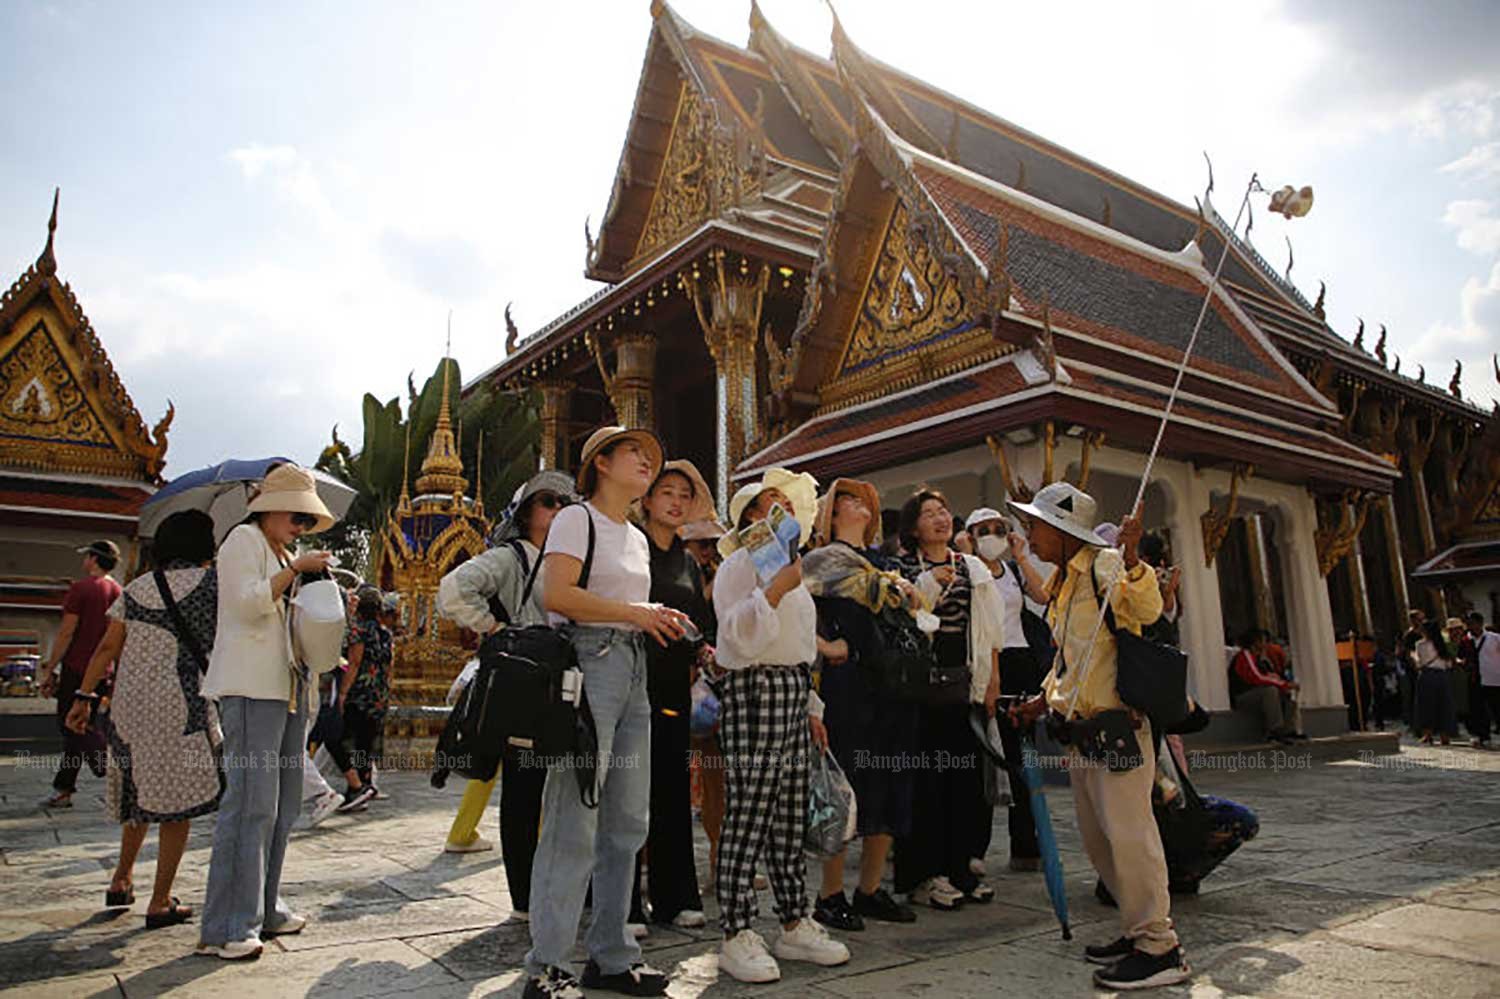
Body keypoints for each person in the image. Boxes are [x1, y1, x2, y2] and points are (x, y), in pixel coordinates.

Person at [522, 427, 688, 999]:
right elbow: (557, 596)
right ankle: (545, 966)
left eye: (651, 455)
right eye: (635, 453)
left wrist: (650, 616)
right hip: (589, 663)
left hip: (635, 668)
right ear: (601, 462)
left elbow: (626, 607)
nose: (647, 461)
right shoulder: (576, 519)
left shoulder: (637, 537)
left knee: (627, 821)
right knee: (575, 817)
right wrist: (635, 613)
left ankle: (613, 955)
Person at [1010, 482, 1190, 990]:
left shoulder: (1104, 566)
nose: (1030, 534)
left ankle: (1161, 945)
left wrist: (1133, 558)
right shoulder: (1066, 582)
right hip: (1081, 731)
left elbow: (1147, 610)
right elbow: (1071, 658)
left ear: (1065, 531)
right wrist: (1043, 698)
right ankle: (1135, 932)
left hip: (1118, 727)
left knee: (1132, 838)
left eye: (1037, 525)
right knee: (1099, 841)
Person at [711, 467, 850, 984]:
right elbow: (734, 638)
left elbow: (799, 645)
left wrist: (813, 707)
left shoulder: (788, 567)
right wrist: (771, 591)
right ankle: (736, 930)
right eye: (768, 503)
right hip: (754, 687)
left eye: (784, 504)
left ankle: (794, 919)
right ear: (750, 516)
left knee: (790, 812)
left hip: (790, 688)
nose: (780, 510)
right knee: (748, 811)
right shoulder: (740, 564)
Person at [197, 463, 336, 961]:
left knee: (283, 806)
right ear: (268, 508)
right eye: (296, 515)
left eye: (305, 519)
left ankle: (263, 906)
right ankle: (228, 924)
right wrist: (294, 572)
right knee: (252, 802)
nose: (300, 526)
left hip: (289, 684)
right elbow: (245, 604)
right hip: (252, 686)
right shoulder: (242, 541)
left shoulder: (283, 551)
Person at [63, 511, 220, 928]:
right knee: (175, 806)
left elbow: (106, 648)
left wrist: (83, 697)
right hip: (180, 707)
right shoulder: (214, 587)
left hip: (128, 709)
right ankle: (160, 899)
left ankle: (121, 878)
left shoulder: (136, 588)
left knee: (137, 796)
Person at [436, 471, 572, 910]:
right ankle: (525, 894)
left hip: (564, 679)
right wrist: (495, 628)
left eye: (564, 504)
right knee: (524, 785)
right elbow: (452, 590)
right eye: (548, 501)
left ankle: (562, 881)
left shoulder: (569, 559)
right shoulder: (512, 558)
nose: (557, 510)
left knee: (563, 780)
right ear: (527, 511)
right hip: (525, 681)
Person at [802, 478, 921, 931]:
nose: (860, 506)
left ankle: (869, 889)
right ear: (830, 514)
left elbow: (912, 606)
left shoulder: (885, 565)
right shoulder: (817, 562)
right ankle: (829, 894)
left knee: (890, 782)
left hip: (891, 682)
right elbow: (793, 614)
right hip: (846, 686)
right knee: (845, 786)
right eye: (848, 500)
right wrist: (825, 648)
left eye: (864, 500)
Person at [894, 489, 1004, 911]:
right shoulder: (902, 568)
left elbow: (991, 630)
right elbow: (899, 620)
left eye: (944, 511)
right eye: (928, 514)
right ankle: (926, 874)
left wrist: (992, 681)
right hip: (921, 687)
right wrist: (924, 587)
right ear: (913, 527)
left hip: (965, 682)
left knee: (965, 782)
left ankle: (962, 866)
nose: (940, 518)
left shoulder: (971, 566)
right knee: (927, 782)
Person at [628, 460, 716, 932]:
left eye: (684, 494)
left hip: (673, 688)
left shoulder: (686, 560)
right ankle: (621, 904)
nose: (676, 501)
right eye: (667, 492)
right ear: (646, 499)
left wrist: (705, 651)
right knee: (627, 794)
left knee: (671, 790)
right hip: (629, 683)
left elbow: (698, 621)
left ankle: (674, 895)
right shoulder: (630, 548)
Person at [968, 507, 1050, 876]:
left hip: (1019, 665)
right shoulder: (966, 571)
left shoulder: (1013, 571)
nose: (993, 534)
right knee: (984, 756)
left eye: (999, 528)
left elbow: (1043, 595)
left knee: (1022, 757)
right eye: (984, 529)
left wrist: (1020, 555)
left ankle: (1026, 844)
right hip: (984, 664)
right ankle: (975, 848)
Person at [40, 539, 123, 808]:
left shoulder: (82, 589)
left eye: (87, 555)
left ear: (94, 559)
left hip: (78, 668)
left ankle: (106, 762)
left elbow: (67, 632)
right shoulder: (118, 591)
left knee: (73, 724)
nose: (84, 560)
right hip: (104, 670)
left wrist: (50, 667)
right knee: (78, 728)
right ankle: (64, 788)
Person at [326, 590, 392, 811]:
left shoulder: (358, 631)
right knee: (365, 744)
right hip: (379, 695)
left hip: (359, 693)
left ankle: (357, 787)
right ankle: (362, 787)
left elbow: (354, 663)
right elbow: (389, 667)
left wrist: (343, 693)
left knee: (337, 737)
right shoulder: (385, 634)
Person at [1229, 630, 1304, 743]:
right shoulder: (1245, 656)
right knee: (1270, 691)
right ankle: (1274, 731)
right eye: (1263, 641)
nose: (1266, 644)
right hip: (1243, 695)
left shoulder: (1260, 659)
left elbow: (1268, 675)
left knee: (1286, 694)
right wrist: (1284, 684)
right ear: (1255, 642)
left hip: (1256, 693)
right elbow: (1257, 677)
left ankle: (1290, 730)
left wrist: (1284, 685)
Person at [1413, 618, 1457, 746]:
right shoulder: (1442, 644)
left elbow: (1420, 663)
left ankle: (1428, 734)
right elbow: (1448, 663)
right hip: (1442, 676)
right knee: (1444, 705)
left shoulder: (1420, 645)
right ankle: (1445, 735)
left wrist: (1414, 657)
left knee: (1426, 705)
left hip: (1427, 676)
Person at [1470, 613, 1500, 748]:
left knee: (1497, 707)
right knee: (1480, 710)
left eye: (1473, 623)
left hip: (1495, 678)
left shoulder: (1495, 638)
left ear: (1480, 623)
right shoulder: (1467, 640)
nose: (1471, 626)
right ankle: (1484, 736)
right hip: (1476, 680)